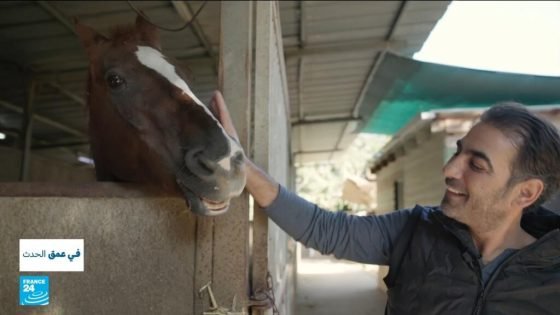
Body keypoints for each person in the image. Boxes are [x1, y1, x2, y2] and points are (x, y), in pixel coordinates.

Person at [210, 91, 560, 315]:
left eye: (477, 165)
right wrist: (243, 166)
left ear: (525, 193)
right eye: (458, 152)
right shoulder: (414, 230)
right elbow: (324, 229)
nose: (450, 169)